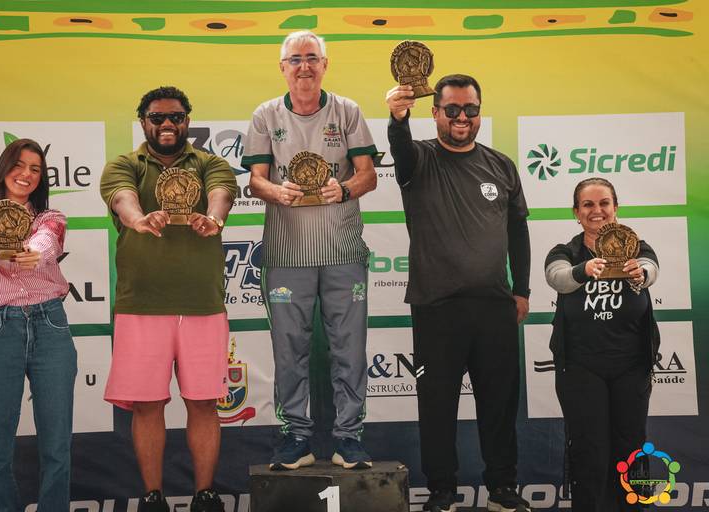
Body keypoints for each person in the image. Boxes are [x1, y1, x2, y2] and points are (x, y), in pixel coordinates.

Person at [386, 75, 532, 512]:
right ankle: (442, 492)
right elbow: (399, 148)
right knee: (437, 407)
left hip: (495, 307)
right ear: (435, 113)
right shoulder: (418, 159)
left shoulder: (501, 165)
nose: (462, 117)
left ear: (480, 112)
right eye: (452, 109)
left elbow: (518, 231)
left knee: (500, 405)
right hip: (437, 308)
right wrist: (397, 118)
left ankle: (503, 489)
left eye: (470, 109)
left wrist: (522, 290)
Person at [242, 30, 377, 470]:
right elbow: (255, 180)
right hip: (286, 256)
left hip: (343, 252)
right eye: (296, 59)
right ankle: (296, 436)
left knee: (349, 349)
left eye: (312, 58)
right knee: (289, 350)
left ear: (325, 64)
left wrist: (344, 190)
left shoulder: (347, 110)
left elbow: (368, 175)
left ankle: (349, 437)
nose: (304, 66)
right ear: (283, 67)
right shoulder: (265, 114)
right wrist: (276, 191)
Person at [100, 86, 236, 512]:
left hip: (202, 305)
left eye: (175, 117)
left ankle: (205, 495)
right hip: (142, 305)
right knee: (146, 405)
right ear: (143, 122)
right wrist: (138, 219)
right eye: (157, 117)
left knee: (204, 403)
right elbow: (122, 198)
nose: (167, 124)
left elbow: (221, 193)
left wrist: (214, 218)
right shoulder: (124, 164)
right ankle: (152, 497)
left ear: (187, 121)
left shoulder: (211, 163)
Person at [0, 138, 77, 512]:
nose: (26, 174)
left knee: (57, 447)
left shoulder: (50, 218)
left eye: (35, 169)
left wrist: (34, 254)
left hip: (50, 326)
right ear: (3, 169)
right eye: (19, 165)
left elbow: (47, 242)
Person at [544, 177, 659, 511]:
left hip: (632, 365)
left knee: (633, 446)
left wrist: (640, 273)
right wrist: (584, 270)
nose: (597, 210)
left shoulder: (638, 248)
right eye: (588, 204)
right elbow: (558, 278)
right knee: (589, 449)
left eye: (604, 202)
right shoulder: (565, 252)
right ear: (576, 212)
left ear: (615, 207)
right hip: (581, 367)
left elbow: (651, 269)